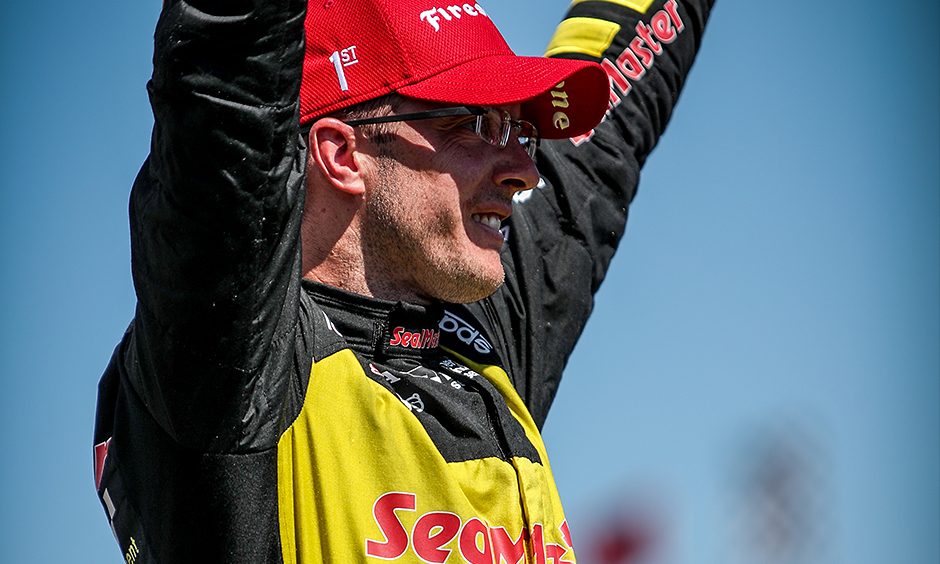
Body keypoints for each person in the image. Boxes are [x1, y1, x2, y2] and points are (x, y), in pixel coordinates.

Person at [92, 0, 714, 562]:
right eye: (476, 123)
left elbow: (612, 115)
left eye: (519, 128)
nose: (526, 170)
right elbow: (225, 84)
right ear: (342, 154)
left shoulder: (481, 329)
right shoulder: (235, 361)